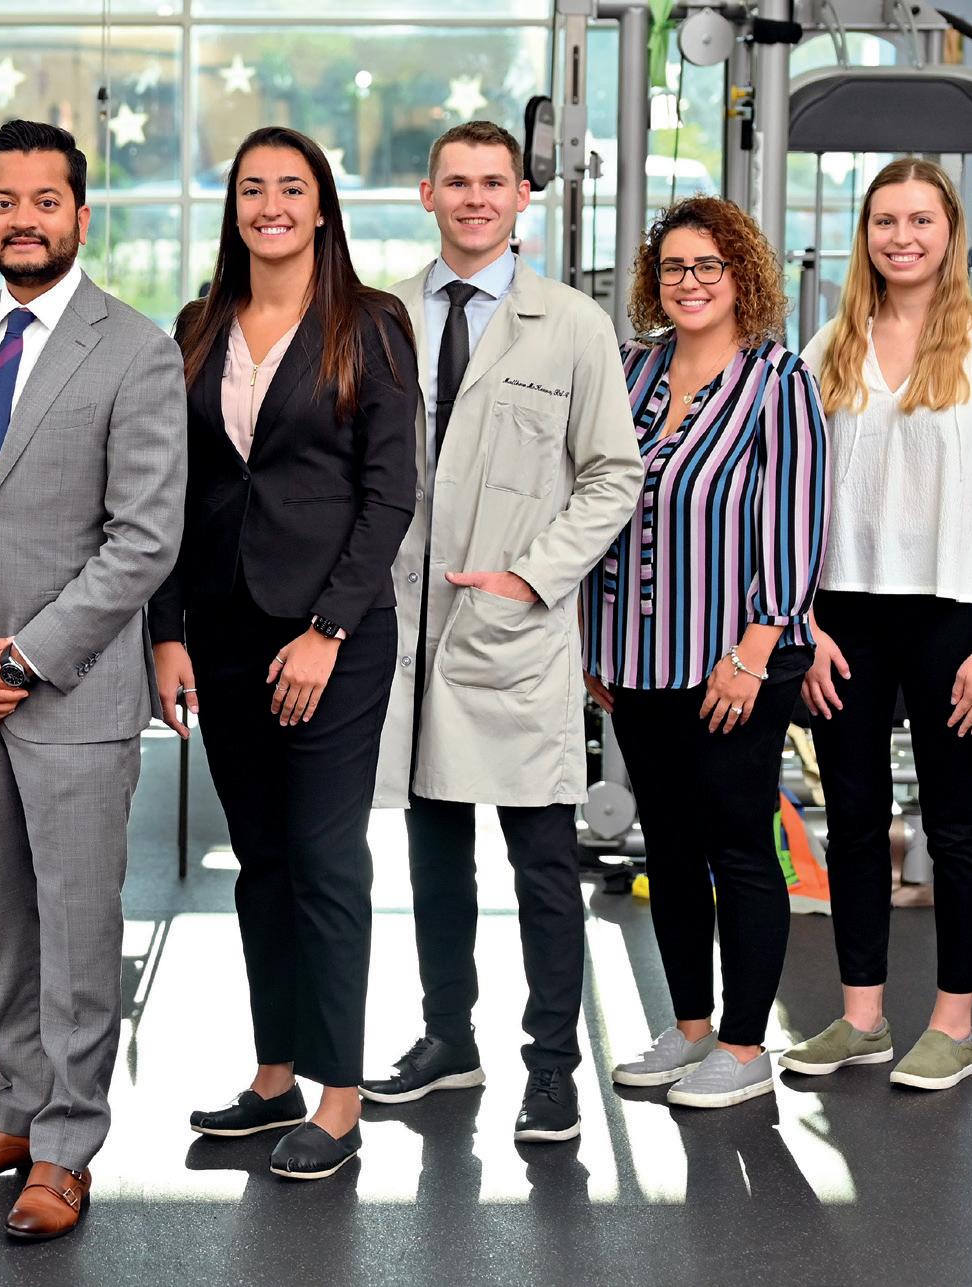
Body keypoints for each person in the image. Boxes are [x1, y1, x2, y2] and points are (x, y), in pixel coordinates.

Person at [0, 120, 185, 1241]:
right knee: (3, 923)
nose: (20, 220)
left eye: (43, 201)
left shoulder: (134, 349)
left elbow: (141, 540)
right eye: (1, 201)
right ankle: (13, 1114)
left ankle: (66, 1146)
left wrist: (15, 658)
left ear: (79, 216)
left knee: (76, 927)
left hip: (69, 692)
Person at [362, 120, 642, 1144]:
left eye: (493, 182)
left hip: (513, 628)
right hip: (408, 627)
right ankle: (447, 1040)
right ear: (425, 194)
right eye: (456, 181)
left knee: (541, 865)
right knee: (432, 856)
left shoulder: (568, 324)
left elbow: (612, 473)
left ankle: (552, 1067)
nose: (474, 197)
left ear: (523, 195)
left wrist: (531, 577)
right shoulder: (383, 315)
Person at [147, 127, 418, 1180]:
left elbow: (388, 496)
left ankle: (340, 1097)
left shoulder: (370, 324)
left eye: (290, 188)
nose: (270, 205)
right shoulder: (199, 324)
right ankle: (275, 1080)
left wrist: (327, 629)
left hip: (331, 639)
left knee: (323, 858)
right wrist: (166, 629)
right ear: (234, 209)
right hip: (221, 630)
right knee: (259, 860)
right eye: (251, 188)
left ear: (321, 207)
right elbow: (170, 491)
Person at [781, 157, 972, 1092]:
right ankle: (861, 1017)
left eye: (919, 221)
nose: (901, 237)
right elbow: (794, 502)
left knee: (954, 825)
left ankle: (954, 1024)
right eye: (884, 221)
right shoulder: (829, 346)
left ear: (950, 234)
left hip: (953, 612)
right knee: (854, 820)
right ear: (864, 236)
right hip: (843, 614)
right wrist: (804, 621)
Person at [586, 197, 828, 1110]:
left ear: (741, 275)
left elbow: (799, 523)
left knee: (738, 846)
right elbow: (597, 501)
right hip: (636, 656)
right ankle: (689, 1029)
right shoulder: (630, 370)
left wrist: (754, 650)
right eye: (673, 267)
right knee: (671, 848)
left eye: (707, 266)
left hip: (736, 660)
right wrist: (594, 636)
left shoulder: (777, 380)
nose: (688, 283)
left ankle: (743, 1045)